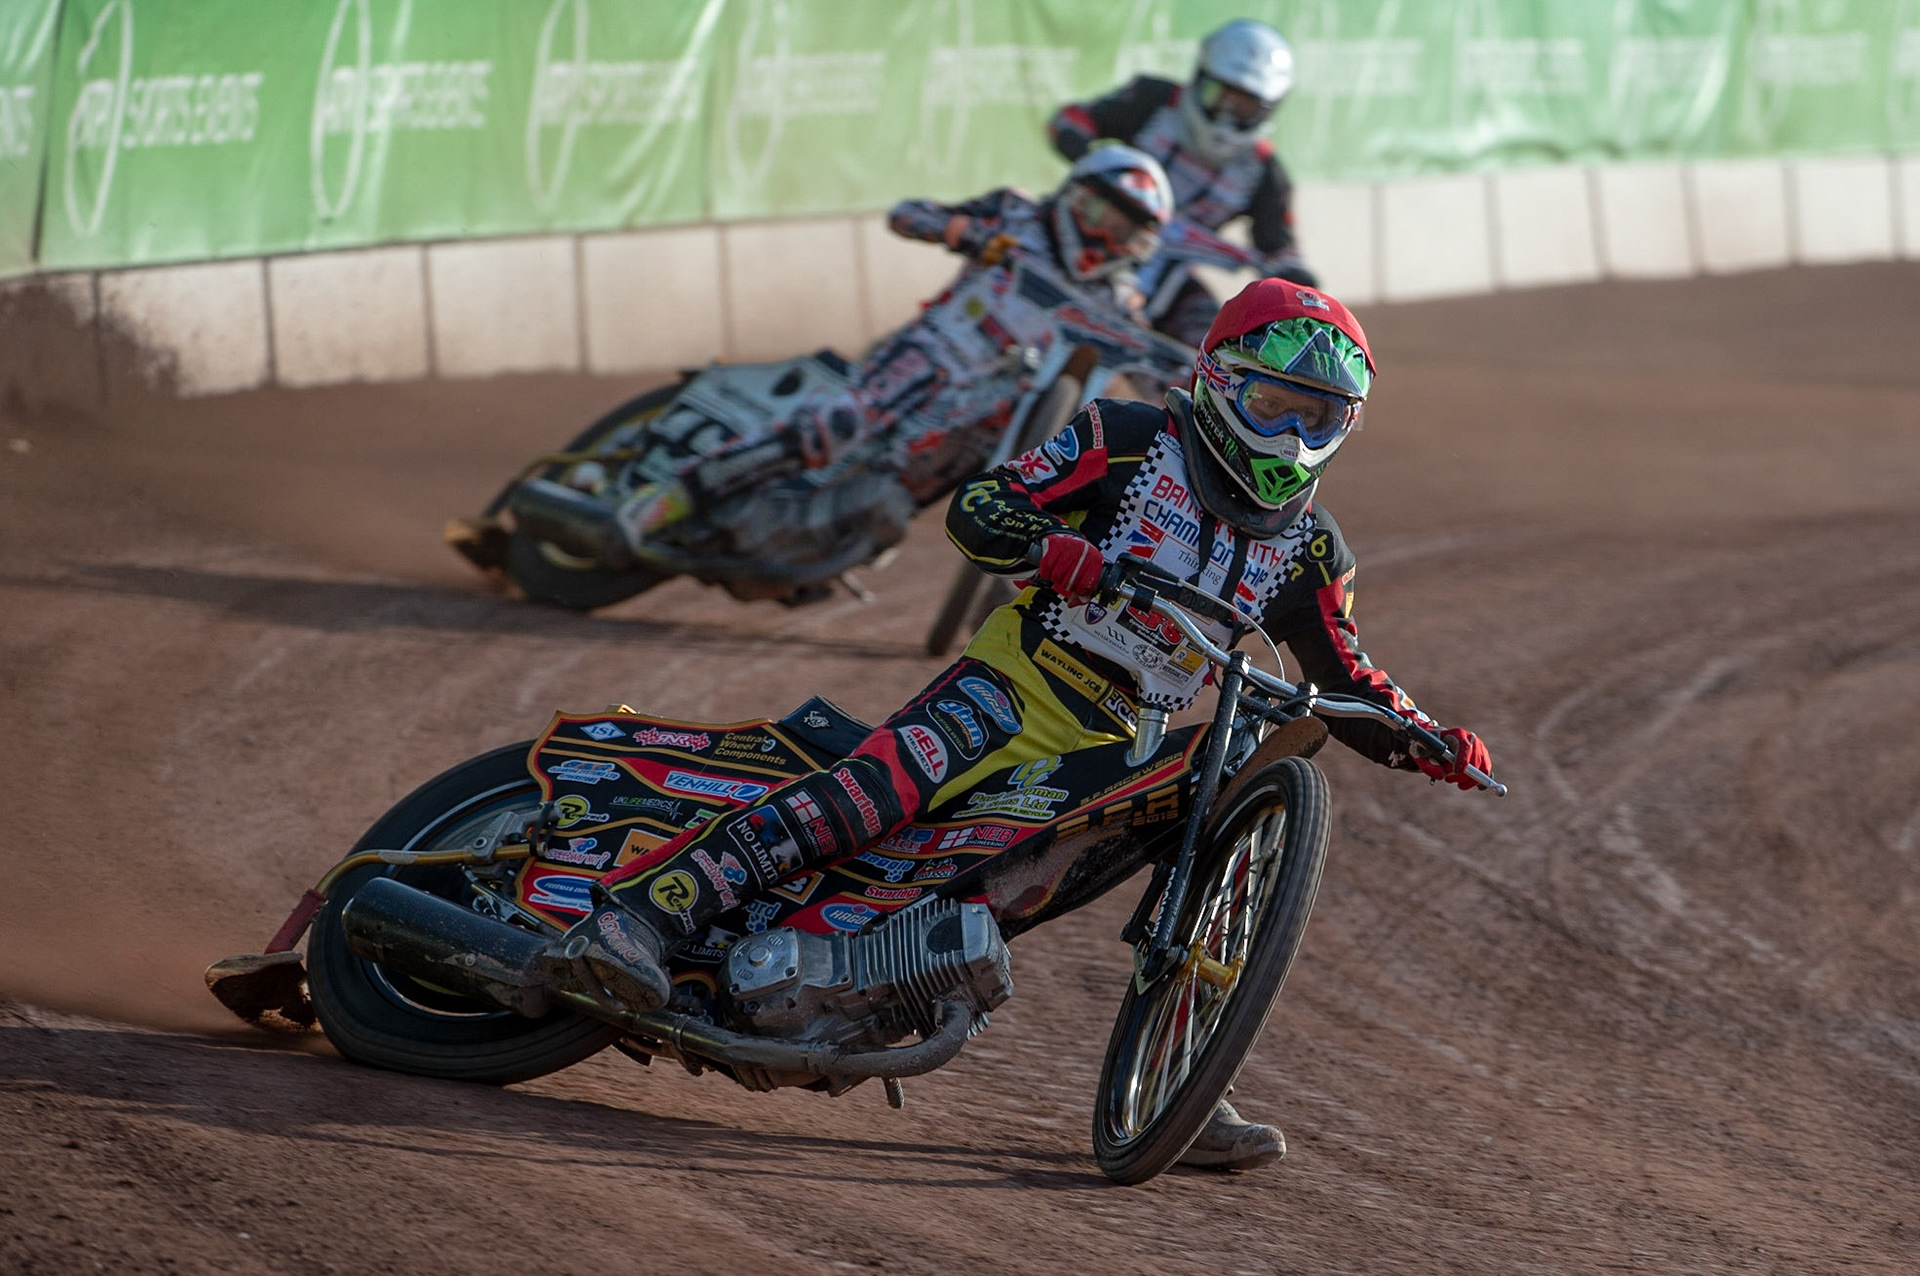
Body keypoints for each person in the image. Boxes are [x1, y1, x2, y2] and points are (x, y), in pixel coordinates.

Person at [544, 276, 1494, 1172]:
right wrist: (1060, 554)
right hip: (1019, 677)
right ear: (1220, 380)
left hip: (1122, 738)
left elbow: (1349, 674)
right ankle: (639, 914)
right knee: (878, 794)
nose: (1293, 434)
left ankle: (1190, 1078)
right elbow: (980, 509)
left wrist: (1430, 737)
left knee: (1147, 843)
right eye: (1277, 403)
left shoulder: (1314, 549)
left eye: (1319, 417)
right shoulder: (1126, 439)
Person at [611, 145, 1175, 552]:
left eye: (1128, 233)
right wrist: (967, 233)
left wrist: (1190, 394)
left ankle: (806, 546)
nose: (1109, 239)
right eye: (1106, 218)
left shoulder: (1118, 300)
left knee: (900, 501)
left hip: (989, 411)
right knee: (834, 426)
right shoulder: (1015, 213)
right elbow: (908, 213)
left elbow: (1150, 368)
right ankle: (675, 496)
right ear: (1079, 195)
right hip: (928, 356)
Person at [1048, 18, 1312, 346]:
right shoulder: (1154, 99)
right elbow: (1071, 118)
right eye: (1222, 96)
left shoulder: (1265, 171)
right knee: (1005, 234)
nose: (1228, 114)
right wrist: (1080, 147)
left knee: (1216, 342)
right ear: (1200, 78)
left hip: (1163, 275)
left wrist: (1298, 283)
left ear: (1269, 111)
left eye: (1245, 107)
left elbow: (1278, 247)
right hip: (1083, 231)